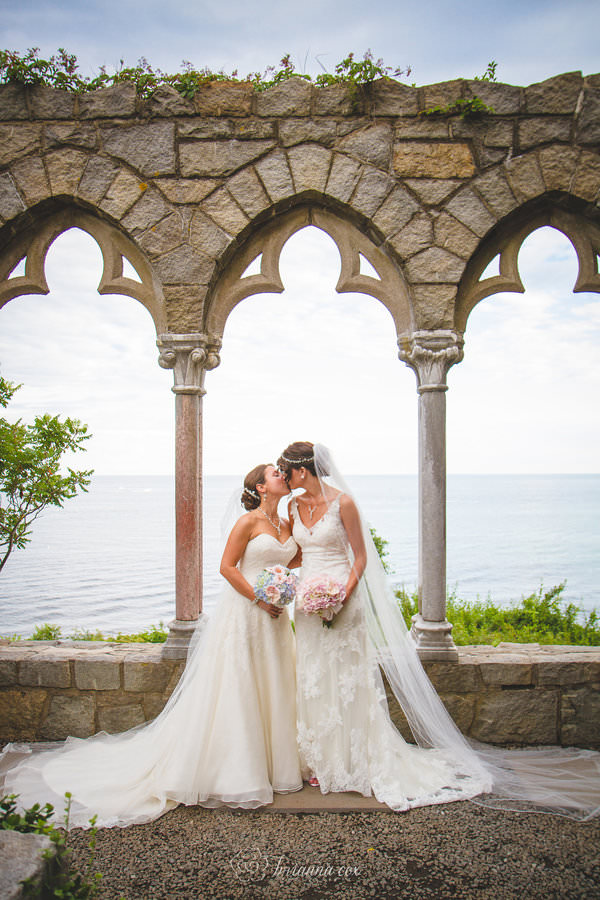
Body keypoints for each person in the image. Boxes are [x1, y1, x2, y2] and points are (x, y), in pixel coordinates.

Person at [278, 441, 600, 819]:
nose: (284, 476)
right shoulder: (291, 506)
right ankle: (319, 760)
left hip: (343, 601)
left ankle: (354, 759)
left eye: (286, 470)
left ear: (302, 470)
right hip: (308, 605)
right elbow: (297, 553)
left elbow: (361, 557)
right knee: (314, 676)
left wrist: (341, 596)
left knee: (348, 677)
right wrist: (277, 574)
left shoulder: (343, 503)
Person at [0, 464, 302, 828]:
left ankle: (276, 765)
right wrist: (259, 596)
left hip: (276, 618)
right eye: (274, 473)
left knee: (276, 684)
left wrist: (287, 581)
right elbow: (227, 567)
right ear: (259, 486)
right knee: (241, 687)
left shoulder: (285, 523)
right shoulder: (248, 522)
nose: (281, 476)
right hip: (249, 614)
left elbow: (294, 558)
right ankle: (239, 770)